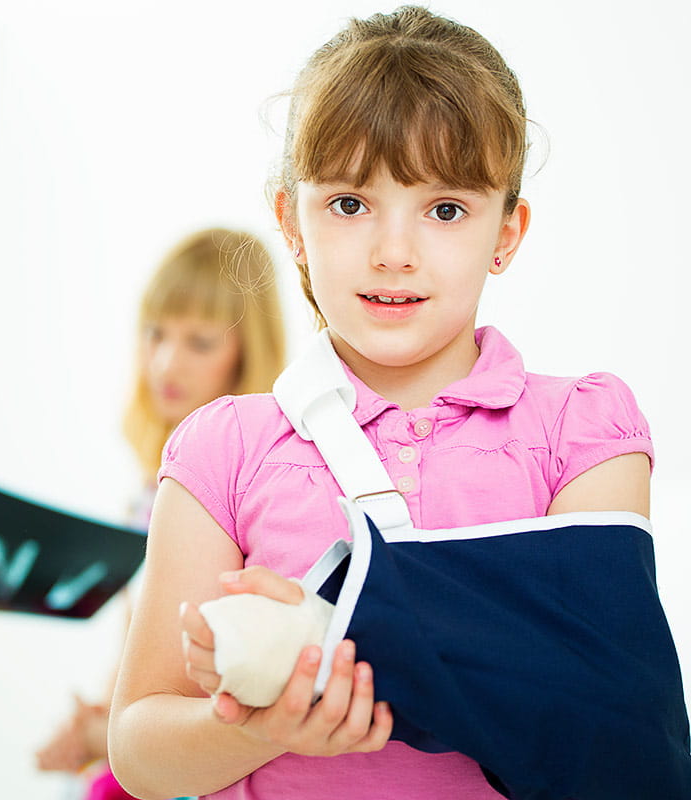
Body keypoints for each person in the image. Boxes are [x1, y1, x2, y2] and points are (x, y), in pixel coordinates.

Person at [108, 7, 658, 799]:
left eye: (444, 210)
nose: (393, 252)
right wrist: (262, 722)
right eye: (348, 204)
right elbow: (140, 752)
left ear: (507, 232)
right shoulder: (222, 448)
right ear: (289, 224)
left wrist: (329, 631)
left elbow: (606, 727)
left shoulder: (582, 431)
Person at [34, 229, 286, 800]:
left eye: (199, 342)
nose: (167, 362)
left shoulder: (263, 486)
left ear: (247, 353)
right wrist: (103, 718)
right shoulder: (154, 480)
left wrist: (103, 737)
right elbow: (143, 650)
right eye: (156, 334)